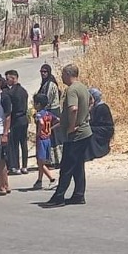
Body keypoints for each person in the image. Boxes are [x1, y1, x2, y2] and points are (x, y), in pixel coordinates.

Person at [43, 64, 92, 208]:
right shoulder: (83, 87)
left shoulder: (71, 90)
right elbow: (91, 102)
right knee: (78, 165)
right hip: (85, 132)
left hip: (76, 135)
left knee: (67, 166)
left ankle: (59, 197)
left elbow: (73, 109)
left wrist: (71, 127)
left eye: (63, 74)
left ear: (68, 74)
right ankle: (78, 194)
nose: (62, 77)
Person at [32, 94, 59, 190]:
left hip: (41, 139)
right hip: (48, 139)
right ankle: (39, 181)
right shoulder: (48, 114)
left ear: (38, 104)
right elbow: (59, 121)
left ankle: (52, 179)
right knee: (41, 161)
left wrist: (39, 133)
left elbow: (41, 123)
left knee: (40, 162)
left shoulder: (39, 114)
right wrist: (50, 129)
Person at [5, 70, 30, 175]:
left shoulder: (11, 93)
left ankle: (17, 166)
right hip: (24, 119)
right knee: (24, 143)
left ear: (14, 78)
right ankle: (25, 166)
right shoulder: (24, 91)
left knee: (14, 144)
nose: (6, 81)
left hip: (16, 119)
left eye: (8, 79)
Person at [38, 64, 62, 166]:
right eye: (41, 72)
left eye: (45, 72)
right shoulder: (45, 83)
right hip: (50, 111)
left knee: (53, 136)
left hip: (52, 111)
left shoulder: (50, 84)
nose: (43, 74)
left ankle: (56, 160)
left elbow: (45, 100)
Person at [85, 88, 115, 163]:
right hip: (99, 127)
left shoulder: (102, 107)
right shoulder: (95, 106)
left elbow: (96, 121)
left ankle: (95, 153)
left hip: (105, 129)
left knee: (89, 131)